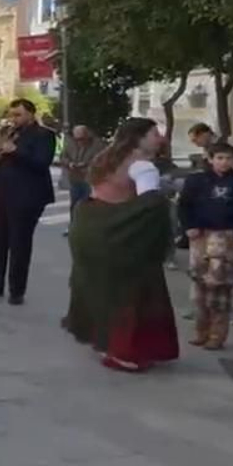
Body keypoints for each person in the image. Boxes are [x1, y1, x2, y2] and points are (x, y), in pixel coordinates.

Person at [64, 118, 180, 372]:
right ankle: (122, 351)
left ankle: (103, 341)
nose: (159, 137)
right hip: (116, 234)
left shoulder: (106, 157)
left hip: (87, 226)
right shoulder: (142, 167)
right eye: (154, 133)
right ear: (139, 137)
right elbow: (149, 204)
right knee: (130, 294)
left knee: (99, 288)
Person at [0, 99, 56, 305]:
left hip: (26, 197)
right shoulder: (7, 133)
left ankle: (17, 291)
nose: (13, 119)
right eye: (11, 115)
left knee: (19, 244)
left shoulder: (44, 135)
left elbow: (42, 162)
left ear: (31, 114)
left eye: (18, 115)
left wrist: (15, 151)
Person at [177, 141, 233, 350]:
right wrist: (188, 226)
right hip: (201, 236)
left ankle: (217, 335)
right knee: (199, 286)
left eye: (228, 158)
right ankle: (201, 331)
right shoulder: (196, 181)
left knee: (220, 288)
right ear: (210, 159)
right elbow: (184, 205)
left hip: (226, 238)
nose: (224, 162)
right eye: (219, 158)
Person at [61, 124, 100, 206]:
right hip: (75, 179)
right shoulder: (70, 143)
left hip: (89, 180)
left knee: (88, 205)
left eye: (81, 139)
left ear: (87, 135)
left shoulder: (97, 144)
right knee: (75, 205)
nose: (79, 142)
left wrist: (87, 164)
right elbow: (63, 156)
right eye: (77, 139)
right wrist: (69, 163)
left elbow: (101, 159)